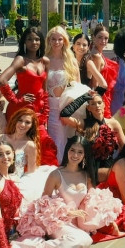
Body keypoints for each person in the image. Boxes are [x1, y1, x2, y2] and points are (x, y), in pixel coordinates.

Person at [12, 136, 124, 248]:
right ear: (67, 151)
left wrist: (106, 218)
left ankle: (49, 245)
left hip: (78, 222)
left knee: (83, 239)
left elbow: (93, 199)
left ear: (84, 155)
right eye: (72, 150)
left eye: (80, 152)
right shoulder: (55, 174)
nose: (75, 155)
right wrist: (68, 213)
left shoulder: (86, 175)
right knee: (83, 240)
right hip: (58, 221)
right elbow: (43, 204)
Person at [0, 27, 58, 167]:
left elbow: (44, 89)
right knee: (18, 145)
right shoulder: (20, 60)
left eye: (37, 39)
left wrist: (45, 112)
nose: (34, 42)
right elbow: (1, 80)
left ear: (41, 42)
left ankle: (39, 178)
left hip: (39, 109)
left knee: (43, 143)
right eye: (29, 39)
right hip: (20, 110)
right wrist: (16, 99)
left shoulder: (45, 61)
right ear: (24, 41)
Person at [44, 26, 86, 157]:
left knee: (67, 139)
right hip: (49, 107)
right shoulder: (44, 59)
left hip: (66, 107)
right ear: (49, 40)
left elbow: (78, 86)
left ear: (64, 41)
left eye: (60, 39)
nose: (56, 42)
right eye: (53, 39)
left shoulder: (71, 60)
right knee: (53, 139)